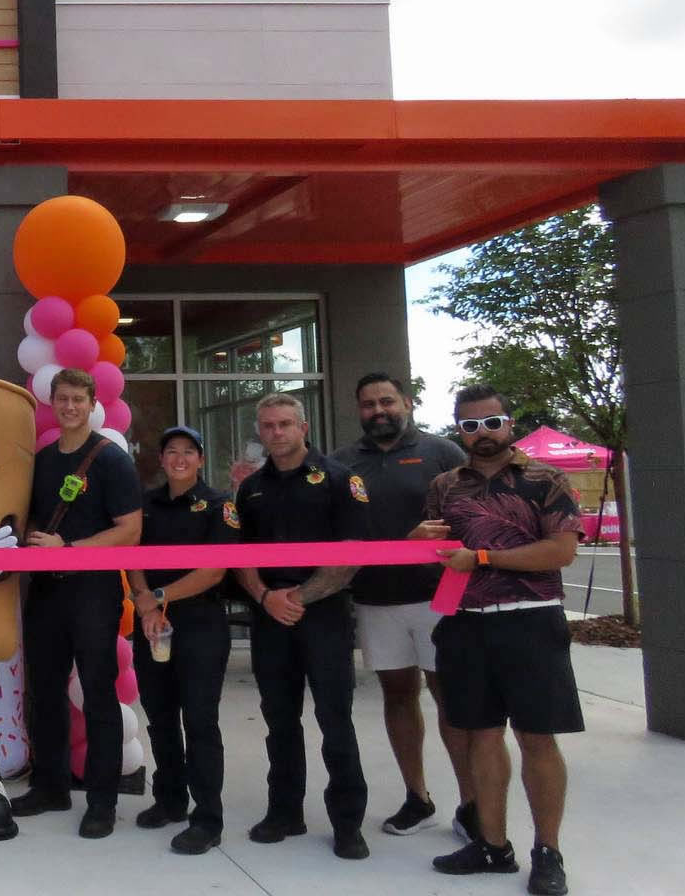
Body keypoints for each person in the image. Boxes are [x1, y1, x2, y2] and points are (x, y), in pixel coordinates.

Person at [428, 385, 581, 896]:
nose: (483, 433)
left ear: (509, 423)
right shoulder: (445, 486)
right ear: (459, 430)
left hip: (531, 621)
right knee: (481, 735)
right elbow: (433, 552)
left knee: (537, 737)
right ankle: (492, 845)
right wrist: (415, 542)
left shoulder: (546, 479)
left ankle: (548, 852)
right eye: (470, 425)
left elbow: (560, 551)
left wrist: (483, 559)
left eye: (491, 422)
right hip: (466, 623)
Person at [330, 373, 475, 839]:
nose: (379, 410)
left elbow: (474, 516)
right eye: (368, 404)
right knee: (397, 696)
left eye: (387, 401)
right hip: (376, 599)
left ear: (407, 403)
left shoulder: (442, 452)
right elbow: (337, 531)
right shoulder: (343, 463)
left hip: (439, 597)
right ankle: (418, 798)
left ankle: (472, 804)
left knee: (450, 698)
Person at [232, 392, 372, 860]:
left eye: (285, 424)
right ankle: (285, 811)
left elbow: (351, 556)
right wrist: (265, 597)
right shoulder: (251, 488)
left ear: (303, 427)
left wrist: (298, 597)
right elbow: (239, 555)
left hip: (324, 614)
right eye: (268, 425)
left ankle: (348, 823)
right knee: (279, 720)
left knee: (335, 720)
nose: (276, 432)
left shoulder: (340, 480)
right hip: (270, 616)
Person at [9, 368, 143, 839]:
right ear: (52, 402)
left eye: (78, 400)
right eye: (62, 399)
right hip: (46, 593)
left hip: (93, 593)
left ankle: (102, 801)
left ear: (92, 405)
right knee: (45, 693)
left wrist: (68, 549)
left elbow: (130, 530)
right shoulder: (42, 461)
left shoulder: (111, 460)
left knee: (99, 695)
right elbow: (32, 519)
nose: (69, 407)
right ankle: (50, 786)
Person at [126, 425, 235, 855]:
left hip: (200, 624)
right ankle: (169, 799)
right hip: (153, 625)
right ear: (161, 459)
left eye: (189, 452)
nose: (180, 459)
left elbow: (215, 569)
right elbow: (132, 556)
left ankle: (207, 819)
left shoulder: (220, 505)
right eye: (172, 451)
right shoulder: (146, 504)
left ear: (200, 460)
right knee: (160, 716)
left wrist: (158, 597)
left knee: (200, 721)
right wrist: (148, 607)